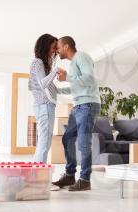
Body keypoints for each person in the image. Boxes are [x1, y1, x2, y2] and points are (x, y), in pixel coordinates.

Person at [52, 36, 101, 191]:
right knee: (67, 139)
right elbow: (76, 87)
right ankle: (69, 175)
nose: (57, 50)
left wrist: (68, 77)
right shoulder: (74, 63)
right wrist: (56, 90)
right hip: (79, 105)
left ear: (66, 46)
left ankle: (85, 179)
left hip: (88, 105)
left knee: (83, 142)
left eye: (58, 47)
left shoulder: (82, 56)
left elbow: (90, 79)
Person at [28, 33, 58, 163]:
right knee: (44, 144)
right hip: (44, 107)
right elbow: (43, 83)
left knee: (44, 144)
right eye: (53, 48)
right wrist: (55, 71)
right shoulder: (38, 62)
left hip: (46, 106)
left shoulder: (42, 64)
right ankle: (38, 176)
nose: (54, 52)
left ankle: (35, 174)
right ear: (45, 47)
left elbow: (47, 87)